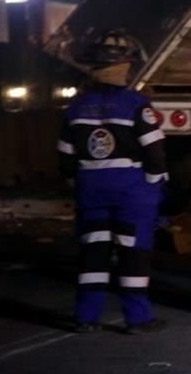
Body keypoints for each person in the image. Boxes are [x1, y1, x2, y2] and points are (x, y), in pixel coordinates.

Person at [58, 30, 168, 334]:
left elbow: (66, 160)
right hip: (130, 191)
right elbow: (154, 154)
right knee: (134, 254)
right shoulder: (136, 104)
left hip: (90, 189)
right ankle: (138, 319)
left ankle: (85, 317)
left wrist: (80, 182)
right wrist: (155, 185)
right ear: (125, 65)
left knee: (94, 254)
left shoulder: (76, 108)